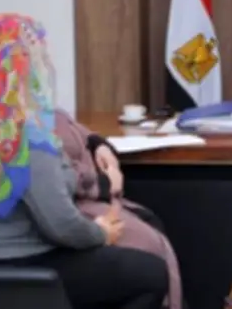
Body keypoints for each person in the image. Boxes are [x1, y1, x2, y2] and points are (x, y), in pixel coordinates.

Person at [0, 14, 168, 309]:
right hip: (25, 264)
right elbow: (60, 224)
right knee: (151, 274)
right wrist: (100, 233)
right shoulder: (26, 133)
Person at [56, 108, 184, 309]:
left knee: (150, 225)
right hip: (77, 207)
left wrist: (100, 145)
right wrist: (104, 183)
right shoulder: (27, 127)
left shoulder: (47, 110)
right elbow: (61, 181)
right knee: (148, 246)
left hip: (94, 202)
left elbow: (79, 129)